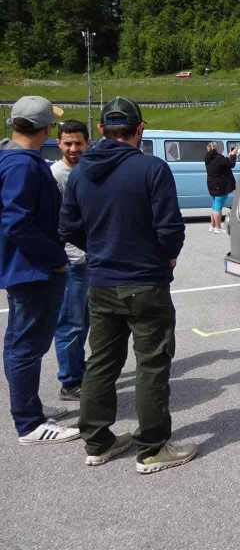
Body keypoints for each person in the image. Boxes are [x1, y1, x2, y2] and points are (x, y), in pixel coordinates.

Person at [60, 96, 195, 473]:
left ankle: (98, 441)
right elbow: (170, 228)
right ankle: (152, 448)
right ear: (140, 130)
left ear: (101, 130)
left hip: (101, 280)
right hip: (144, 281)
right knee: (152, 363)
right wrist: (165, 256)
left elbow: (68, 227)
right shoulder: (152, 169)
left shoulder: (80, 173)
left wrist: (101, 249)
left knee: (101, 363)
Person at [0, 95, 79, 445]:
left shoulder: (10, 159)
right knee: (26, 345)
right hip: (32, 270)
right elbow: (15, 223)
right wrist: (54, 256)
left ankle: (29, 408)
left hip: (25, 268)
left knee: (22, 343)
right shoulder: (23, 166)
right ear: (45, 128)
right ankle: (29, 423)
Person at [50, 120, 90, 401]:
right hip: (71, 262)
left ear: (87, 143)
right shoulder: (55, 175)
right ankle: (70, 381)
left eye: (78, 143)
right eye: (68, 143)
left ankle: (78, 368)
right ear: (59, 143)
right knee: (71, 323)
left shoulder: (90, 171)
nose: (73, 148)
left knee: (86, 321)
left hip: (93, 259)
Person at [204, 142, 236, 234]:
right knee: (218, 207)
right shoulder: (219, 158)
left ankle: (212, 226)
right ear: (216, 149)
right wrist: (233, 155)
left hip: (212, 184)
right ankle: (217, 228)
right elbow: (231, 164)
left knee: (214, 206)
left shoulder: (208, 158)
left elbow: (224, 163)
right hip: (219, 185)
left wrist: (229, 156)